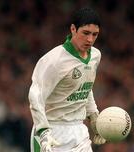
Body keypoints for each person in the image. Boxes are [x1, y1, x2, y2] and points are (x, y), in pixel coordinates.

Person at [28, 7, 106, 152]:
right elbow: (35, 95)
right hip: (52, 132)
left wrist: (94, 116)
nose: (90, 39)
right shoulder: (54, 60)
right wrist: (43, 132)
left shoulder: (95, 56)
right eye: (86, 33)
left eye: (95, 34)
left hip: (79, 132)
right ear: (73, 29)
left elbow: (84, 87)